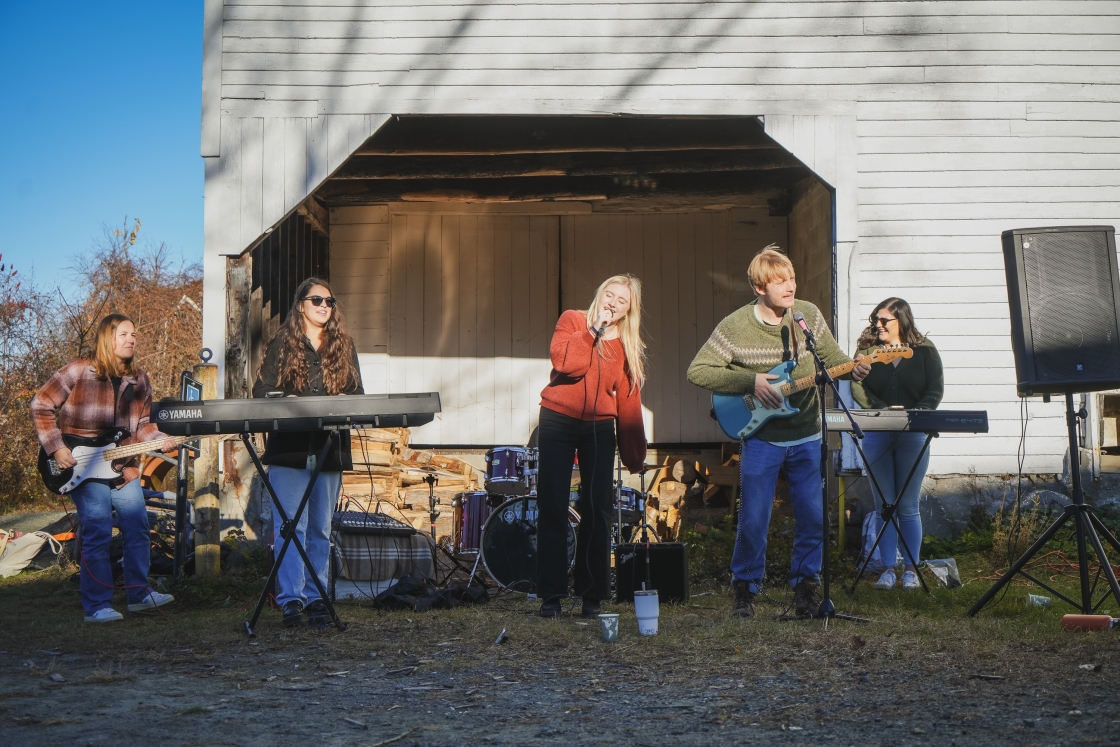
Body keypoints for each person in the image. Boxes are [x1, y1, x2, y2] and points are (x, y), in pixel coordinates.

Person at [687, 246, 870, 619]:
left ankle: (806, 588)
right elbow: (698, 370)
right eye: (779, 281)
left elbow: (832, 360)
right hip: (761, 437)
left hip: (806, 433)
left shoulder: (807, 316)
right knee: (754, 517)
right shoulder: (735, 325)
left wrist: (856, 369)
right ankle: (745, 591)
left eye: (791, 278)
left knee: (812, 516)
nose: (790, 286)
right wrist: (749, 382)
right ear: (759, 287)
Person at [31, 313, 177, 623]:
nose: (131, 339)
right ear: (106, 339)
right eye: (123, 334)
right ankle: (97, 606)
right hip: (82, 467)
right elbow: (41, 403)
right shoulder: (79, 371)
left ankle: (139, 594)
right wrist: (57, 447)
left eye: (133, 334)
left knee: (137, 528)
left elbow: (143, 426)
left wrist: (163, 439)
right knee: (96, 530)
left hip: (122, 467)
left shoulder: (140, 379)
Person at [253, 277, 363, 628]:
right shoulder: (282, 344)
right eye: (316, 299)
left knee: (320, 527)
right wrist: (285, 400)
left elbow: (359, 396)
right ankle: (290, 601)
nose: (324, 306)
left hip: (329, 447)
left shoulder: (343, 345)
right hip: (290, 449)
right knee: (290, 527)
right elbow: (261, 392)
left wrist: (347, 400)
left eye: (330, 301)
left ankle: (317, 598)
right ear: (301, 304)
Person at [536, 274, 648, 618]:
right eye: (609, 295)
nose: (613, 302)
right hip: (557, 419)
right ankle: (551, 596)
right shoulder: (573, 321)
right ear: (600, 295)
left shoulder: (627, 345)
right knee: (553, 505)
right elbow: (567, 365)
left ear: (629, 311)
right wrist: (593, 331)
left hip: (599, 428)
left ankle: (591, 596)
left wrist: (634, 454)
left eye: (622, 300)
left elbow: (628, 400)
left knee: (597, 509)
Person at [850, 297, 944, 590]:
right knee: (884, 506)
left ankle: (912, 571)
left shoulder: (926, 351)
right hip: (877, 432)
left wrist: (916, 414)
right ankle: (888, 569)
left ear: (901, 321)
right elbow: (858, 386)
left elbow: (935, 388)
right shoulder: (866, 351)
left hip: (914, 432)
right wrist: (882, 411)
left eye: (884, 321)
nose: (877, 325)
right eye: (875, 320)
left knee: (907, 505)